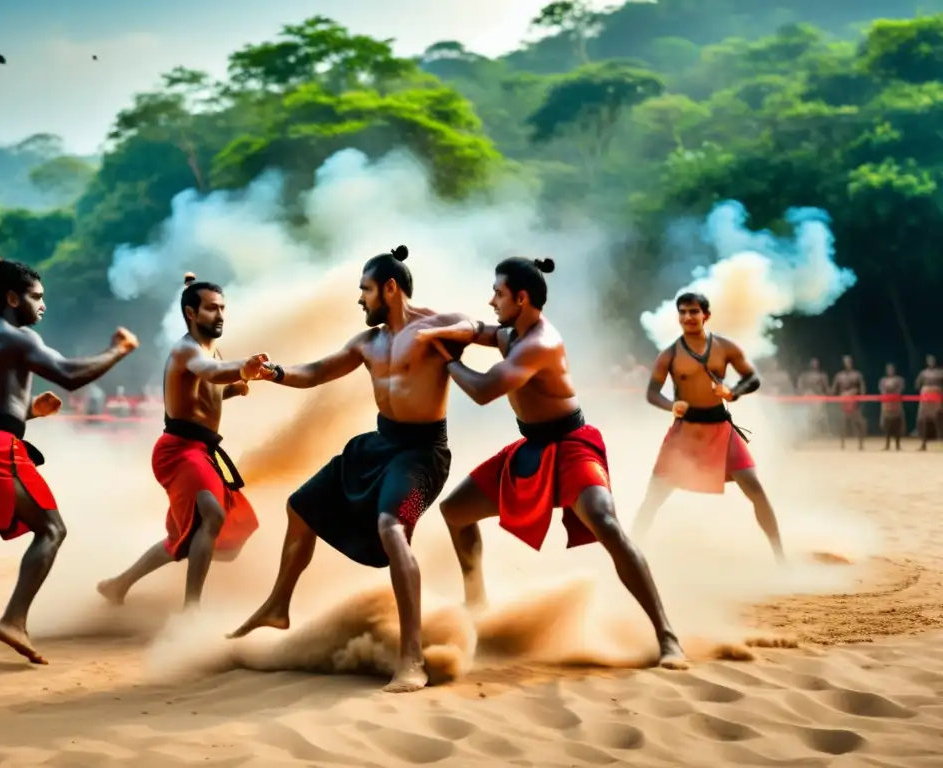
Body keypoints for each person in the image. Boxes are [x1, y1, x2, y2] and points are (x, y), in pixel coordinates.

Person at [421, 256, 687, 670]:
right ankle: (477, 604)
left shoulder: (540, 343)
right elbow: (480, 329)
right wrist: (434, 325)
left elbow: (485, 389)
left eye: (498, 293)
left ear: (521, 298)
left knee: (607, 524)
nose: (491, 300)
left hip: (571, 445)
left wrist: (448, 359)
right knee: (455, 512)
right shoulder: (512, 332)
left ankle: (667, 636)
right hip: (533, 447)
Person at [227, 245, 472, 694]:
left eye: (365, 290)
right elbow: (318, 371)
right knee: (301, 507)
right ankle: (277, 607)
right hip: (378, 447)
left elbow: (483, 330)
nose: (360, 299)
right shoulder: (367, 343)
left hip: (424, 457)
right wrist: (274, 373)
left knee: (392, 527)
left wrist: (457, 331)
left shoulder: (435, 326)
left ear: (390, 288)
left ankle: (412, 657)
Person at [0, 259, 139, 662]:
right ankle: (13, 620)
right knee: (52, 530)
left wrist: (19, 411)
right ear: (11, 297)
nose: (43, 305)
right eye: (37, 297)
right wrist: (117, 350)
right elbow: (70, 375)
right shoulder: (18, 338)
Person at [97, 274, 268, 608]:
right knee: (212, 516)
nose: (219, 315)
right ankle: (191, 611)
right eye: (210, 309)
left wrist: (234, 388)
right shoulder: (187, 350)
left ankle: (119, 584)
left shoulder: (212, 349)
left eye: (222, 309)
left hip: (202, 451)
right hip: (178, 451)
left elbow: (209, 391)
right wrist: (242, 371)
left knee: (190, 537)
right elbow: (212, 373)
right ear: (191, 313)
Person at [631, 292, 784, 562]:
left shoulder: (725, 348)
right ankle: (629, 555)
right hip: (685, 432)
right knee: (654, 496)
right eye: (683, 312)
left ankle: (781, 558)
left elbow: (752, 378)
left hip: (720, 428)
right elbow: (652, 393)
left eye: (693, 311)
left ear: (706, 315)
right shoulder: (669, 355)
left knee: (754, 487)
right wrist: (671, 405)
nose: (688, 317)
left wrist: (733, 393)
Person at [832, 355, 866, 450]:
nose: (848, 364)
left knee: (859, 423)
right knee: (842, 423)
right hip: (843, 401)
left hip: (854, 401)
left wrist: (860, 398)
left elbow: (862, 388)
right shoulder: (839, 376)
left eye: (849, 362)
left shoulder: (857, 374)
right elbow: (834, 389)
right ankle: (842, 444)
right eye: (846, 362)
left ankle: (861, 444)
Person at [796, 358, 830, 439]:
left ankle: (823, 432)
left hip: (819, 397)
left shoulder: (822, 375)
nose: (814, 365)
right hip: (808, 397)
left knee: (821, 415)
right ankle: (808, 433)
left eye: (816, 363)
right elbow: (799, 385)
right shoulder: (804, 375)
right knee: (808, 416)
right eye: (813, 363)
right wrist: (801, 393)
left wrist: (828, 394)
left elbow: (826, 387)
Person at [915, 354, 942, 450]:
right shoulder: (923, 373)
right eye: (929, 360)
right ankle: (923, 444)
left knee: (939, 419)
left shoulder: (940, 372)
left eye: (932, 360)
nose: (931, 362)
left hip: (937, 396)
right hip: (926, 396)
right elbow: (917, 384)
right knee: (923, 420)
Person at [878, 363, 905, 451]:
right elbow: (882, 390)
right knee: (887, 426)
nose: (890, 371)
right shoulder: (883, 380)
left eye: (891, 369)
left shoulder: (899, 380)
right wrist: (887, 393)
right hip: (886, 405)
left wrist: (892, 392)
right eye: (889, 369)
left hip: (896, 405)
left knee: (897, 425)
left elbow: (900, 390)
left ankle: (898, 445)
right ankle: (887, 445)